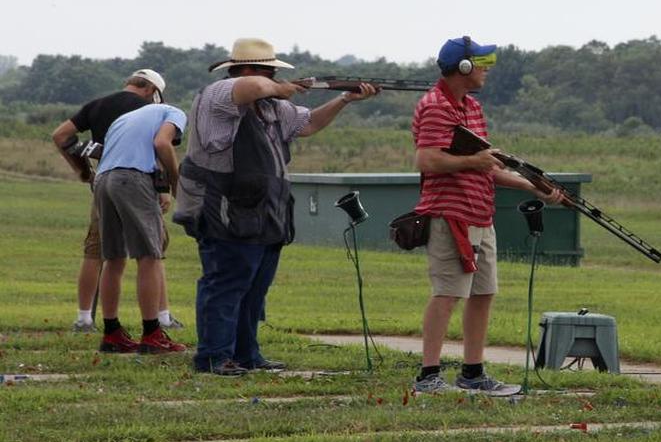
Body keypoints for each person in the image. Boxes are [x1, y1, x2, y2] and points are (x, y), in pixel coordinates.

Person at [173, 38, 377, 376]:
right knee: (225, 282)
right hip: (222, 206)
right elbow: (252, 85)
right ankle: (213, 357)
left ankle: (246, 354)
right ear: (248, 70)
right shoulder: (219, 92)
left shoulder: (269, 106)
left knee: (254, 288)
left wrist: (343, 99)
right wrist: (280, 87)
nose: (272, 77)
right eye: (269, 70)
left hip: (263, 210)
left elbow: (308, 123)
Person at [410, 36, 563, 396]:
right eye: (481, 64)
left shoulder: (472, 109)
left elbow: (485, 169)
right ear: (463, 68)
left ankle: (473, 373)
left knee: (483, 293)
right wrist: (474, 161)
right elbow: (427, 160)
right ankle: (428, 377)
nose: (486, 71)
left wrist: (531, 186)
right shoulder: (436, 106)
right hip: (452, 213)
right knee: (447, 293)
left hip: (480, 211)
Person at [51, 70, 184, 334]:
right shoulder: (153, 110)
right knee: (152, 251)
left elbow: (61, 136)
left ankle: (85, 318)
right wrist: (166, 188)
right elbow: (159, 148)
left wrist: (83, 171)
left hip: (104, 180)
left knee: (100, 251)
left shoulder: (97, 104)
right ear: (152, 91)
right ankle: (161, 317)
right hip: (139, 183)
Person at [93, 103, 190, 354]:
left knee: (113, 258)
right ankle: (152, 334)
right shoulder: (175, 113)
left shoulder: (123, 118)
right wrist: (175, 178)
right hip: (132, 179)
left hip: (103, 179)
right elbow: (162, 144)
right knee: (150, 256)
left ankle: (112, 333)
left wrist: (161, 188)